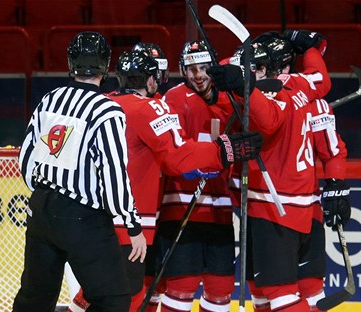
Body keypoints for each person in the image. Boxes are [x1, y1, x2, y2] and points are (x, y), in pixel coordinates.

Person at [67, 48, 264, 312]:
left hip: (87, 216)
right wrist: (224, 150)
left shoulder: (100, 102)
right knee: (129, 295)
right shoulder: (151, 108)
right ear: (150, 79)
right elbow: (178, 156)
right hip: (130, 221)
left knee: (94, 292)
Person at [207, 29, 345, 311]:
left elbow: (268, 119)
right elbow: (321, 77)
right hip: (306, 206)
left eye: (259, 66)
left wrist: (240, 76)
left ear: (278, 67)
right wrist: (312, 48)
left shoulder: (274, 89)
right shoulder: (308, 87)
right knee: (304, 290)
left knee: (277, 293)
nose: (254, 71)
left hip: (274, 207)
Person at [13, 31, 146, 312]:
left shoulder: (51, 99)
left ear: (70, 62)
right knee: (113, 299)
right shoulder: (106, 110)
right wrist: (132, 223)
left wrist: (44, 195)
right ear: (105, 65)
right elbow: (113, 172)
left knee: (34, 299)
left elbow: (26, 156)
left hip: (41, 210)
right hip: (82, 217)